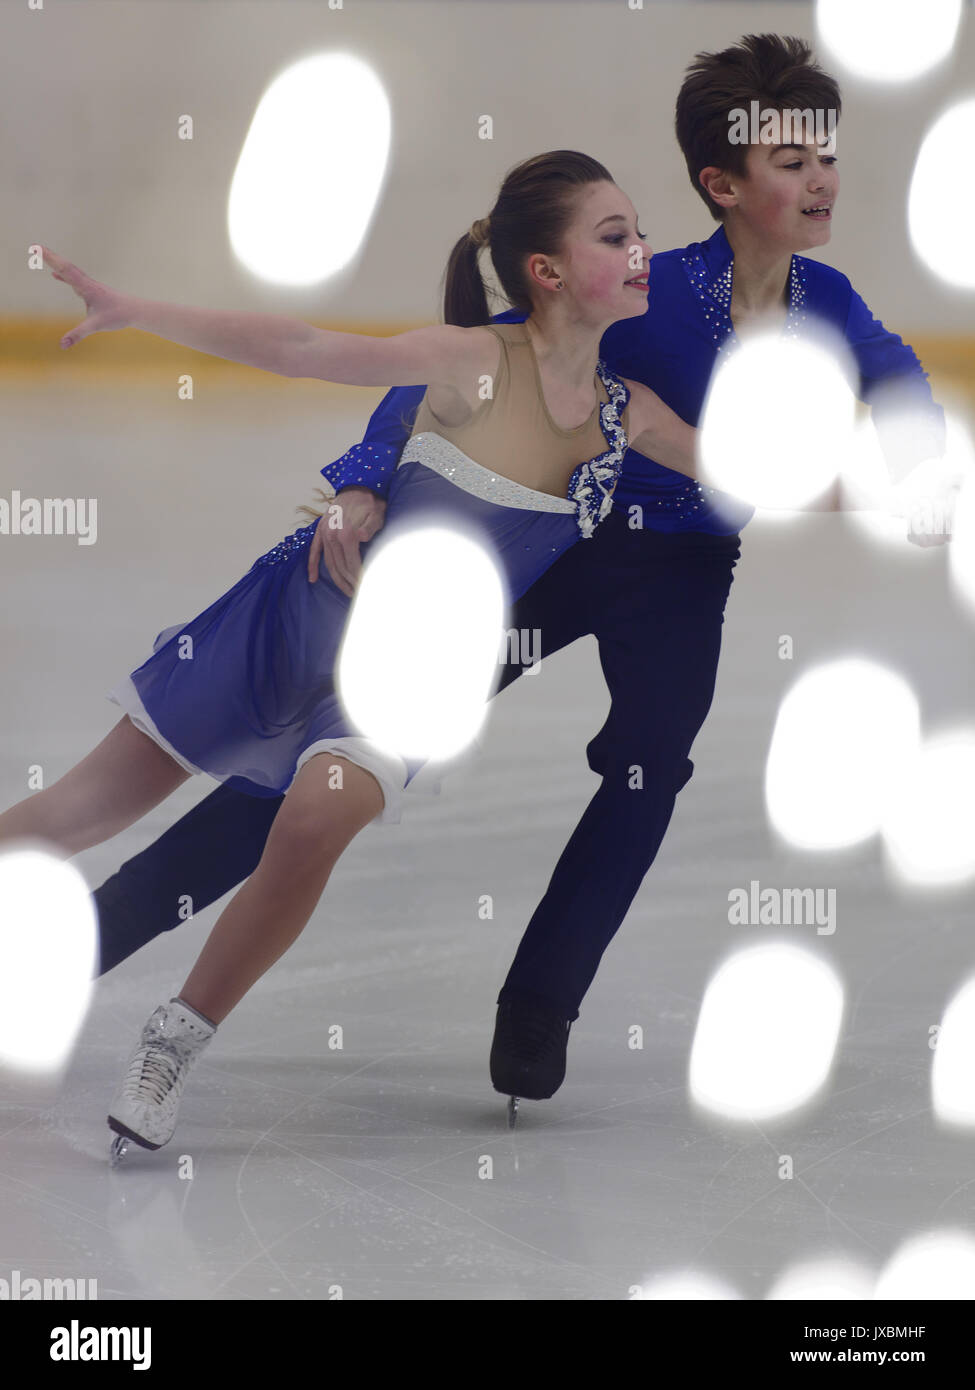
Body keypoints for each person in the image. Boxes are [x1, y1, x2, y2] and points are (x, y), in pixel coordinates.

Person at [73, 35, 951, 1121]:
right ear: (722, 185)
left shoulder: (830, 300)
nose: (822, 178)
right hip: (554, 546)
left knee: (649, 767)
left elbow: (900, 386)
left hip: (683, 571)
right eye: (792, 161)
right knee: (327, 754)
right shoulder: (653, 287)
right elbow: (472, 359)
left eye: (826, 156)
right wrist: (360, 480)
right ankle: (102, 931)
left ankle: (542, 1001)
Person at [1, 151, 704, 1152]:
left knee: (312, 821)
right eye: (616, 234)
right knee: (81, 808)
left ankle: (173, 1038)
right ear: (546, 271)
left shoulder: (628, 414)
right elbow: (299, 346)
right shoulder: (469, 361)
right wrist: (136, 310)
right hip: (301, 611)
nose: (643, 251)